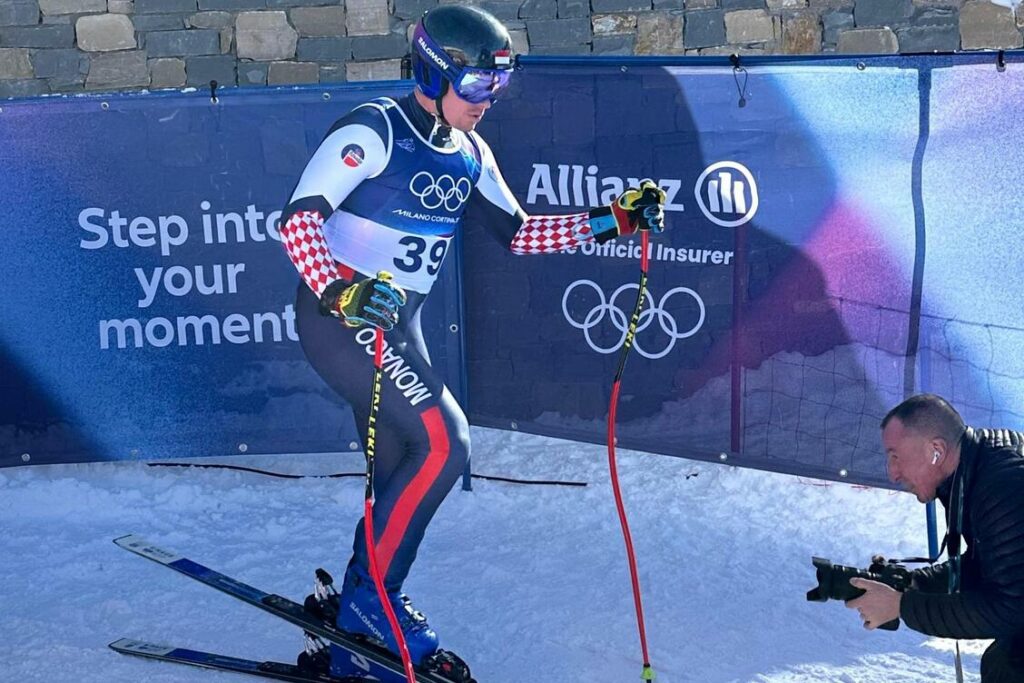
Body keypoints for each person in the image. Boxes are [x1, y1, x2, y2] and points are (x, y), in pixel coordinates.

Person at [277, 5, 666, 676]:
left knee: (405, 464)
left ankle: (357, 611)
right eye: (477, 85)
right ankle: (374, 602)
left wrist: (616, 219)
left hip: (399, 327)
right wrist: (338, 292)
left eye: (499, 87)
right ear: (432, 71)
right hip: (342, 320)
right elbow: (298, 222)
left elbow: (519, 232)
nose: (488, 101)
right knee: (444, 443)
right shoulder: (375, 130)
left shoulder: (470, 153)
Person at [847, 393, 1024, 681]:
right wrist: (914, 584)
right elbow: (991, 565)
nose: (892, 473)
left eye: (896, 457)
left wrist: (902, 605)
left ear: (936, 451)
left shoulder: (1003, 484)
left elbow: (1012, 606)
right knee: (1003, 663)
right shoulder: (976, 466)